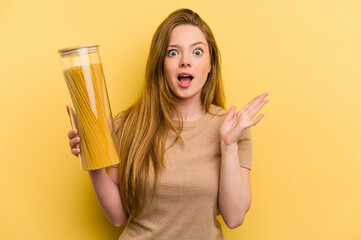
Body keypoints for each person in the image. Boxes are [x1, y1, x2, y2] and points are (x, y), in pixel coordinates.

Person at [67, 8, 269, 240]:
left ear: (211, 64)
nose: (185, 61)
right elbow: (117, 216)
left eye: (197, 52)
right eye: (173, 53)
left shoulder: (233, 129)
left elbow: (234, 217)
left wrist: (228, 145)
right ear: (160, 64)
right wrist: (91, 155)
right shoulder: (129, 125)